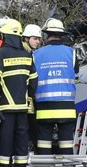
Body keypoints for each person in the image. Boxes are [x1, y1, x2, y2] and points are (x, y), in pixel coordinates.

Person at [0, 20, 37, 167]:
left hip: (5, 106)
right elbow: (34, 81)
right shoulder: (26, 54)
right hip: (22, 106)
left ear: (4, 36)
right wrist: (28, 97)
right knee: (21, 137)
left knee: (5, 138)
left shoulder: (1, 54)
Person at [32, 20, 78, 156]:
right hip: (66, 105)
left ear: (47, 35)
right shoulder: (71, 53)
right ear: (61, 35)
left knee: (44, 140)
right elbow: (76, 73)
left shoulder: (36, 54)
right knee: (66, 141)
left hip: (44, 104)